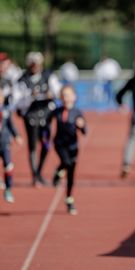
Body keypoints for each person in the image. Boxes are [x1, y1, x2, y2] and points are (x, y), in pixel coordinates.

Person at [17, 52, 62, 186]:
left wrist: (51, 94)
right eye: (32, 64)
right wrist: (31, 96)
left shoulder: (49, 75)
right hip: (31, 115)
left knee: (46, 144)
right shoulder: (23, 79)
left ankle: (39, 171)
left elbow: (58, 91)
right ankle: (34, 175)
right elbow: (19, 102)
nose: (35, 66)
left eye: (37, 64)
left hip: (46, 115)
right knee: (32, 146)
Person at [48, 85, 87, 215]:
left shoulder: (77, 112)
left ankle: (69, 200)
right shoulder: (57, 111)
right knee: (66, 163)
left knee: (71, 174)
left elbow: (84, 131)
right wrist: (44, 136)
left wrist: (81, 126)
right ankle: (58, 172)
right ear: (61, 97)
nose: (66, 98)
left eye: (69, 95)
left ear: (74, 97)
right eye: (64, 95)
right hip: (60, 144)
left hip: (73, 146)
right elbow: (46, 123)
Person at [0, 88, 23, 203]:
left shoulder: (6, 111)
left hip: (4, 143)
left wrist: (17, 136)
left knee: (8, 166)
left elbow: (11, 125)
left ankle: (8, 189)